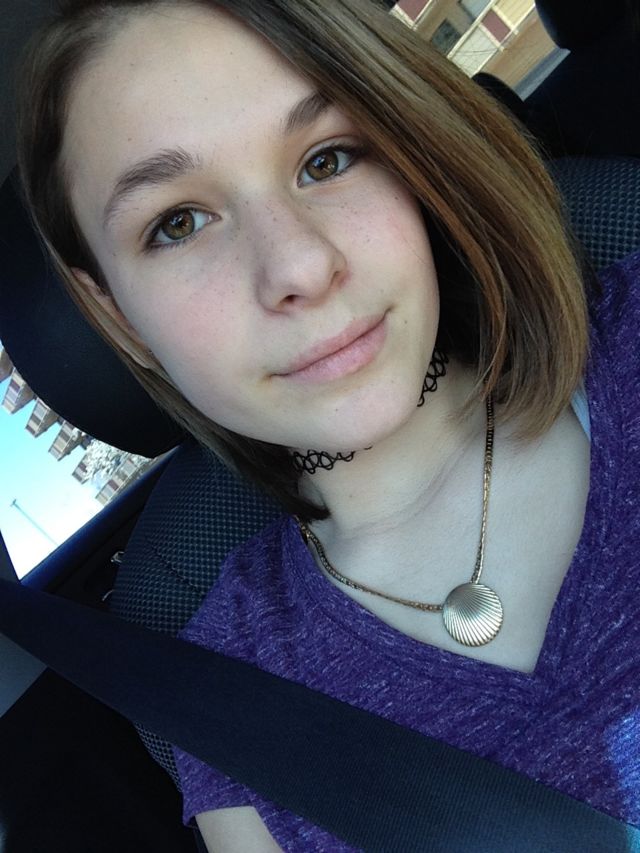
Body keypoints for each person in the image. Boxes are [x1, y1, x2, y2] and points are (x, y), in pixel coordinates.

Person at [16, 0, 639, 850]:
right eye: (178, 223)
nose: (300, 265)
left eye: (328, 158)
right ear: (118, 317)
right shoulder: (234, 706)